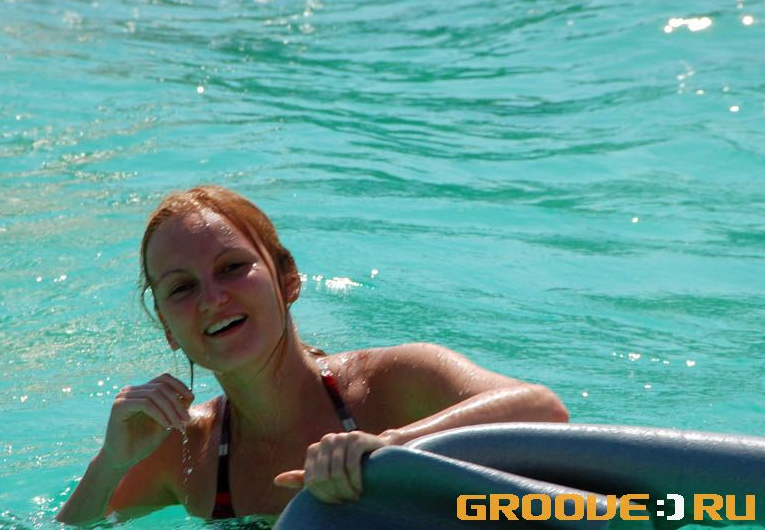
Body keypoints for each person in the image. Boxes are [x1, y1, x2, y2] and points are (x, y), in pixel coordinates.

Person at [56, 185, 569, 524]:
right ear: (167, 328)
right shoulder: (187, 449)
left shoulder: (394, 382)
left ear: (287, 280)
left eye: (232, 268)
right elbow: (80, 526)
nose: (211, 298)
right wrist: (110, 461)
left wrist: (389, 447)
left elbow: (544, 410)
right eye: (182, 288)